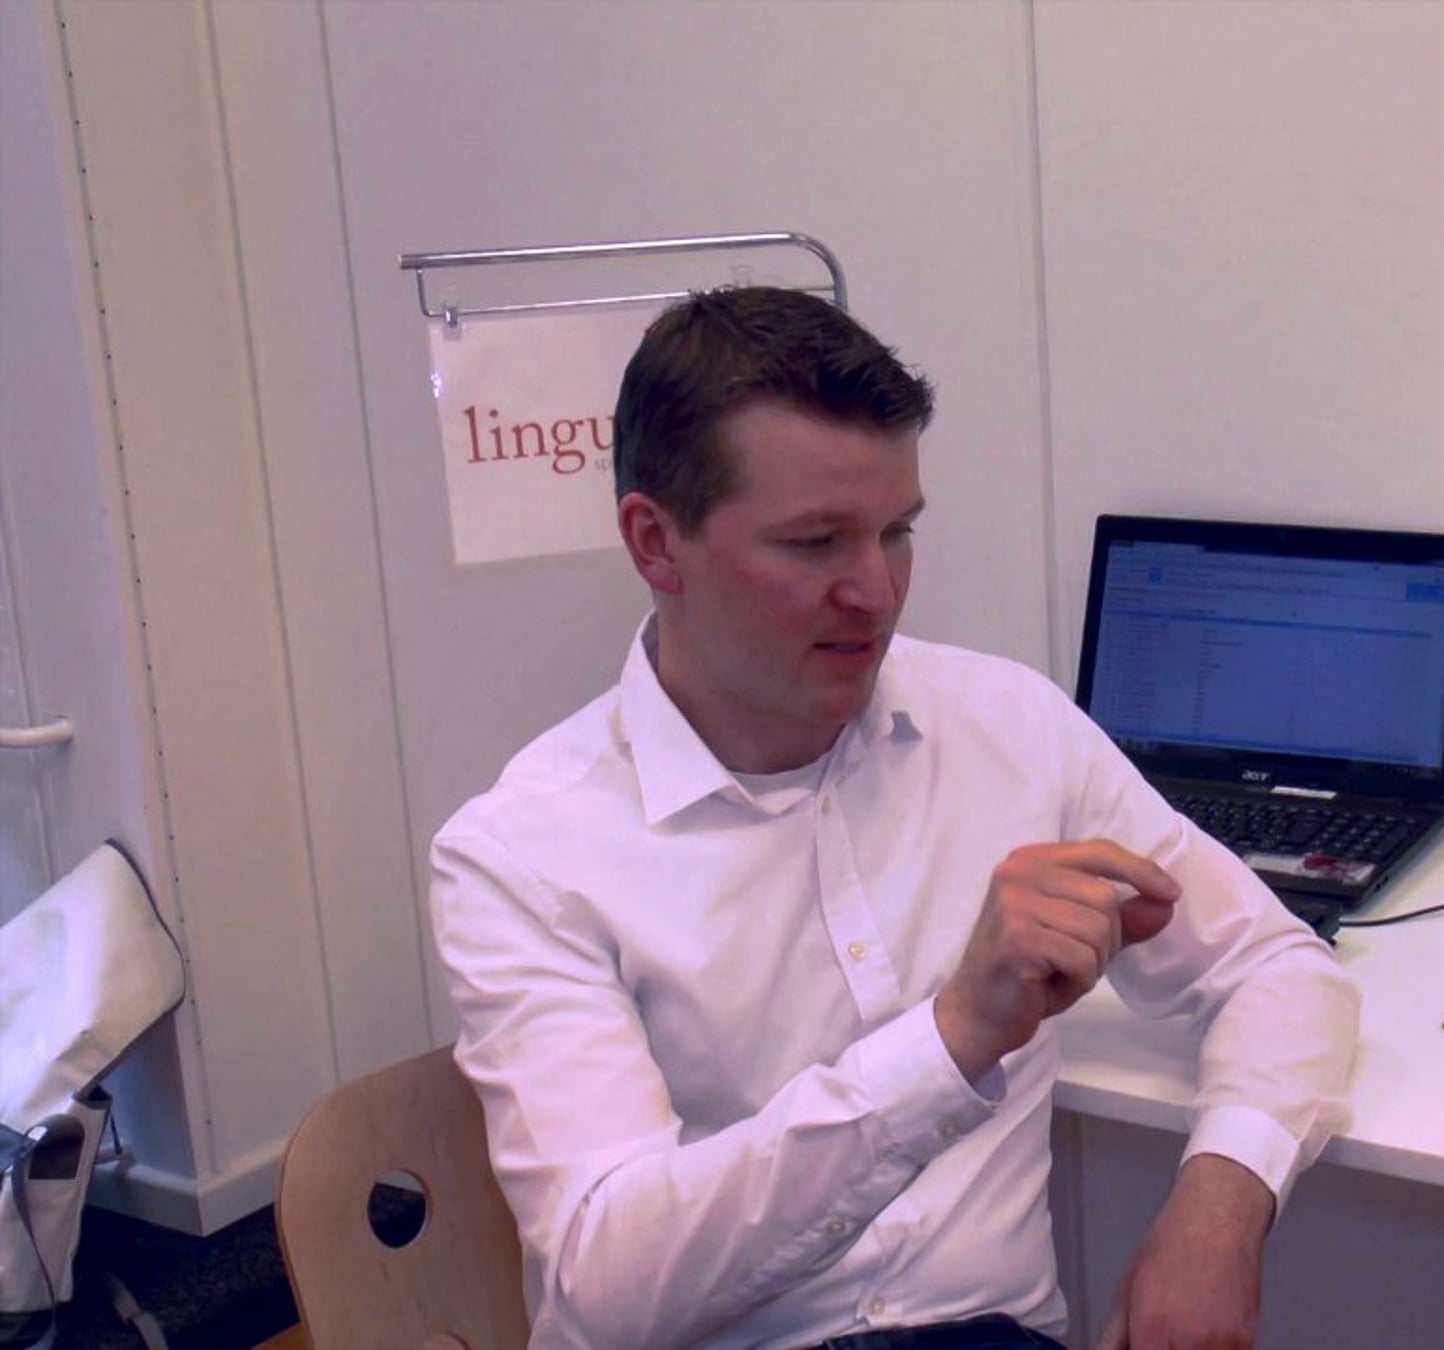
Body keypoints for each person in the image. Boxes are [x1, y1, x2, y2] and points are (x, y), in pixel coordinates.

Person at [428, 287, 1360, 1350]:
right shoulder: (523, 855)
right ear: (655, 542)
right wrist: (954, 1037)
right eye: (815, 542)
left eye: (897, 532)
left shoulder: (1006, 726)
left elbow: (1277, 966)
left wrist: (1218, 1214)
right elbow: (607, 1284)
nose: (876, 591)